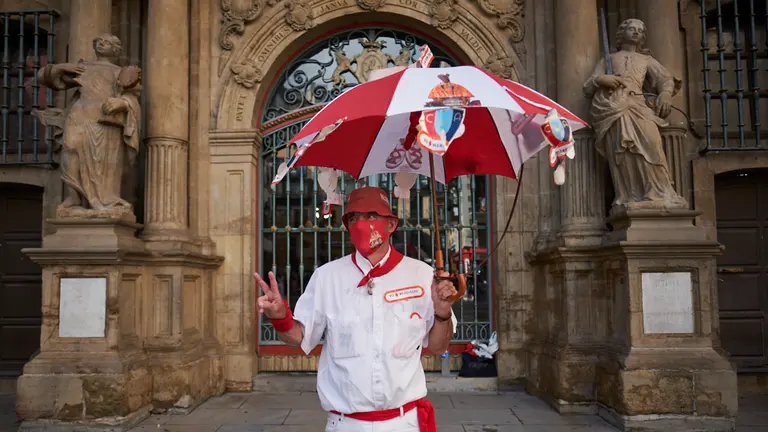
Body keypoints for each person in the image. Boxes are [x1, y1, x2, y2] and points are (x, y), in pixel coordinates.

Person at [255, 186, 458, 432]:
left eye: (370, 216)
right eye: (353, 218)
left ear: (391, 225)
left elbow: (437, 347)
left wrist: (442, 311)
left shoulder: (423, 276)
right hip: (346, 424)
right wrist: (280, 318)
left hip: (405, 423)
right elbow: (299, 337)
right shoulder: (327, 277)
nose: (361, 224)